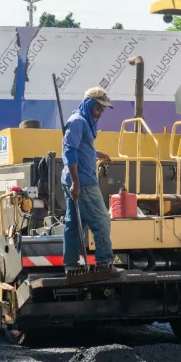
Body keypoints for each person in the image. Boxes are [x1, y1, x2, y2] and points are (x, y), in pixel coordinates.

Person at [61, 87, 118, 272]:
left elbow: (82, 147)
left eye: (103, 109)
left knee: (75, 224)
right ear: (89, 104)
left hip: (77, 180)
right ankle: (104, 264)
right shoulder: (77, 122)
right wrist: (77, 183)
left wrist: (98, 153)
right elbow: (69, 151)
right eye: (98, 107)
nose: (100, 112)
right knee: (102, 221)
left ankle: (70, 264)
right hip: (83, 182)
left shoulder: (84, 121)